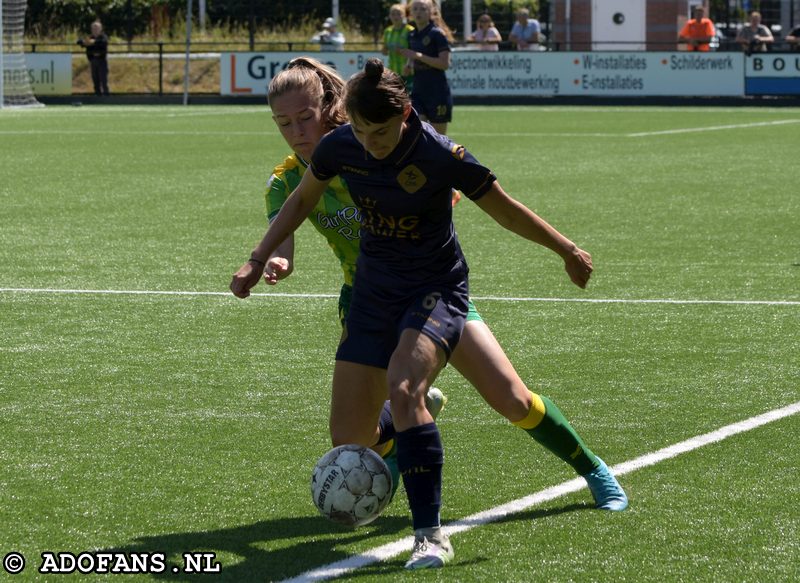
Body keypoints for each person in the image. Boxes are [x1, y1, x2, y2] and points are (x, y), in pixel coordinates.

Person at [231, 57, 627, 570]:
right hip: (369, 297)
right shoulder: (309, 167)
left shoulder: (406, 142)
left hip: (433, 290)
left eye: (303, 117)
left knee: (509, 398)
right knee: (350, 440)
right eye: (282, 123)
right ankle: (402, 430)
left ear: (332, 106)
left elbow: (490, 200)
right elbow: (293, 212)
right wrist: (269, 257)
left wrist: (566, 249)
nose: (294, 132)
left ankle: (590, 469)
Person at [399, 0, 453, 135]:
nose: (418, 12)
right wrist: (409, 65)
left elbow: (444, 64)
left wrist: (418, 56)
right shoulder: (412, 34)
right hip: (418, 91)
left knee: (438, 140)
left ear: (430, 13)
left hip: (437, 92)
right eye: (415, 9)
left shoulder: (437, 34)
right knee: (416, 132)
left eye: (422, 9)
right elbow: (413, 56)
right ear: (410, 13)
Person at [382, 4, 414, 91]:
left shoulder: (410, 30)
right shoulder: (387, 31)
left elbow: (414, 50)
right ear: (389, 16)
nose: (395, 16)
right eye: (393, 14)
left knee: (409, 98)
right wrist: (385, 49)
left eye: (398, 13)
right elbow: (384, 51)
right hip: (393, 71)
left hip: (407, 71)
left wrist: (402, 52)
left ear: (404, 15)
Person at [77, 20, 109, 96]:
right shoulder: (90, 37)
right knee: (95, 78)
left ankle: (106, 95)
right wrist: (83, 42)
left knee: (103, 79)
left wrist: (93, 42)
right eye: (93, 28)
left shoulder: (103, 37)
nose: (95, 30)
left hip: (101, 61)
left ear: (100, 29)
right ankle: (97, 94)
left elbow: (103, 43)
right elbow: (81, 43)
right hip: (93, 60)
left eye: (97, 28)